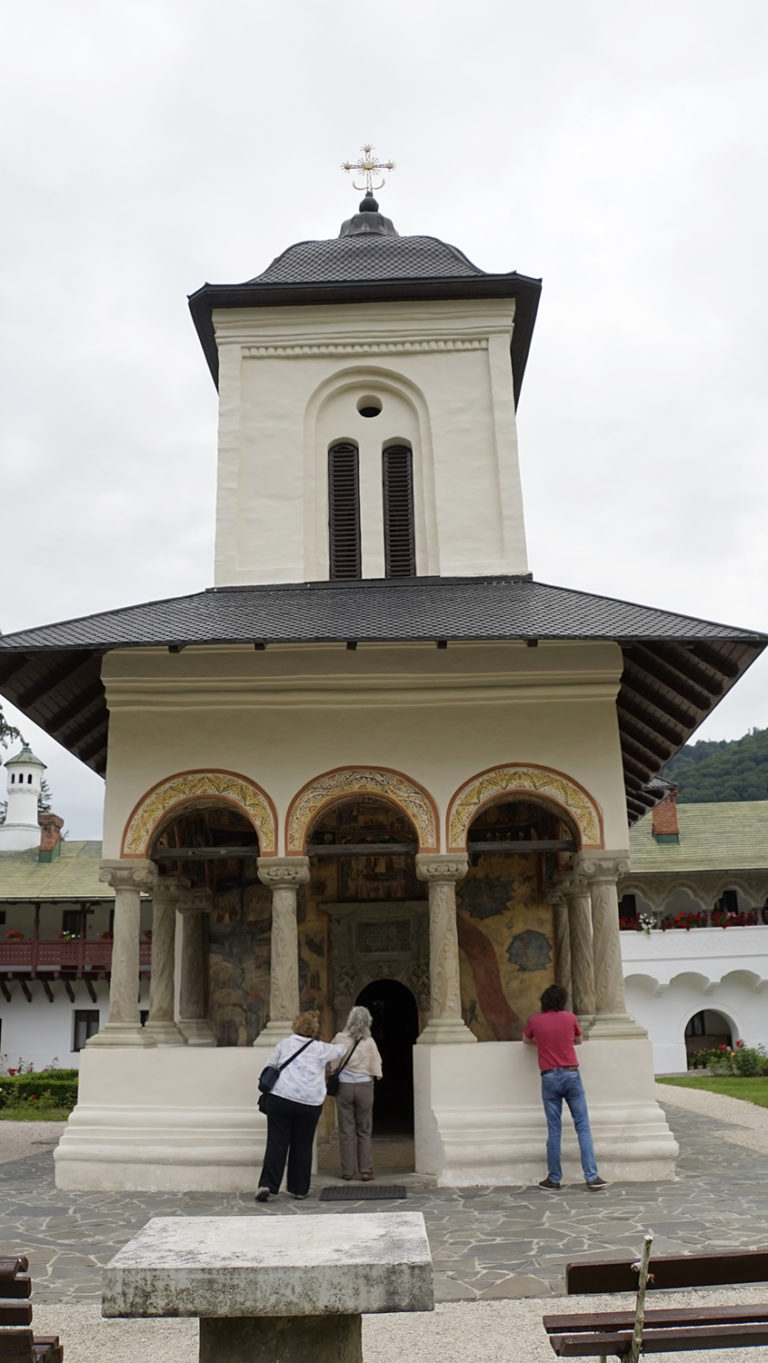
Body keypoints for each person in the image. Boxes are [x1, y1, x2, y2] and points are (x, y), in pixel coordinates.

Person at [255, 1009, 345, 1203]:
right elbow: (341, 1050)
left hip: (281, 1099)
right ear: (314, 1030)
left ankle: (268, 1186)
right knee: (302, 1146)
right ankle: (299, 1188)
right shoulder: (321, 1049)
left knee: (276, 1143)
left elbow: (270, 1066)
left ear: (295, 1026)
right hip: (309, 1103)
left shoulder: (284, 1044)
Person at [523, 984, 607, 1192]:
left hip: (549, 1077)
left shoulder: (535, 1020)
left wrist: (543, 1044)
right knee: (583, 1126)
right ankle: (592, 1176)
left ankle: (554, 1179)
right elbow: (578, 1040)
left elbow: (526, 1040)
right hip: (571, 1074)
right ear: (562, 1001)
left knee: (554, 1130)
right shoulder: (570, 1018)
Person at [330, 1005, 383, 1182]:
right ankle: (366, 1170)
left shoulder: (340, 1038)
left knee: (346, 1130)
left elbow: (333, 1062)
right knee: (364, 1130)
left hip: (344, 1087)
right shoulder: (369, 1042)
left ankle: (347, 1171)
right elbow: (377, 1066)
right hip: (364, 1087)